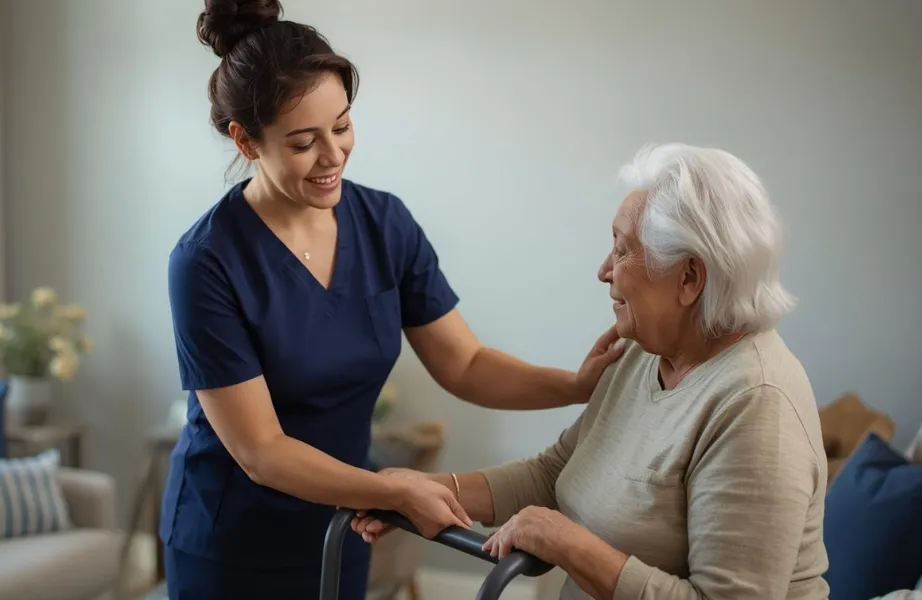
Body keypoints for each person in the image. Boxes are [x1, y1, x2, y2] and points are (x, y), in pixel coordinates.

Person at [161, 1, 624, 598]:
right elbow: (262, 451)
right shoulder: (207, 261)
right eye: (303, 142)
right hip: (232, 545)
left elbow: (464, 363)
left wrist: (575, 385)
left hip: (339, 528)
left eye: (342, 126)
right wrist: (391, 490)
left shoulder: (384, 224)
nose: (333, 156)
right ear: (246, 141)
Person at [355, 143, 830, 600]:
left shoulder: (756, 404)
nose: (604, 270)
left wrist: (570, 544)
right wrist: (429, 489)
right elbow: (557, 472)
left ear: (689, 278)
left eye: (622, 251)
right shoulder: (645, 354)